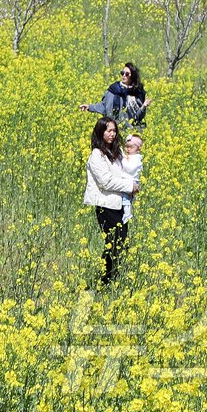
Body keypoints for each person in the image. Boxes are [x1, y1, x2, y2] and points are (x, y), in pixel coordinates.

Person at [83, 116, 139, 286]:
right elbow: (105, 182)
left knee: (120, 244)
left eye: (114, 131)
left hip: (120, 204)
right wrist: (129, 186)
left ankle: (112, 279)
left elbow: (128, 170)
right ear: (100, 132)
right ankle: (104, 281)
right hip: (106, 205)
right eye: (108, 131)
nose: (112, 134)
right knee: (113, 244)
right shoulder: (96, 155)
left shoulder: (117, 152)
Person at [80, 62, 150, 128]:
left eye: (127, 74)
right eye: (122, 73)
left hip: (132, 129)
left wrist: (144, 106)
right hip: (114, 129)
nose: (123, 75)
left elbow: (138, 117)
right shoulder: (113, 89)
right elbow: (104, 106)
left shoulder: (137, 93)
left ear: (132, 76)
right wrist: (90, 107)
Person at [120, 133, 144, 224]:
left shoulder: (136, 158)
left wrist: (123, 159)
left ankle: (127, 214)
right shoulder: (130, 156)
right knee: (125, 198)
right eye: (126, 147)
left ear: (138, 148)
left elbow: (130, 168)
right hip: (127, 181)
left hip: (131, 182)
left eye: (131, 147)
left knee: (125, 198)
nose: (128, 149)